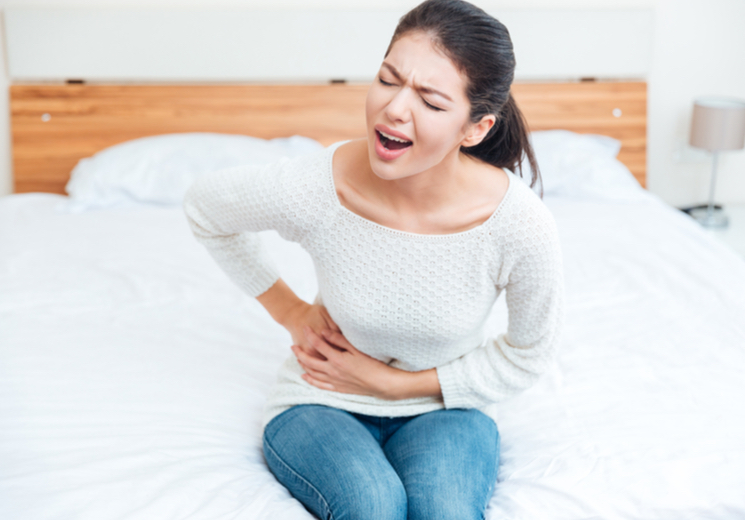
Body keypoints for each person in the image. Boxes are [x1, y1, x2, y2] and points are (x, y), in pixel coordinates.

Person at [183, 0, 565, 517]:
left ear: (475, 129)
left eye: (430, 101)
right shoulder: (318, 187)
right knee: (373, 506)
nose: (395, 109)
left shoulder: (518, 224)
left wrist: (398, 385)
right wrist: (290, 311)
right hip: (321, 399)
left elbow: (529, 352)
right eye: (388, 80)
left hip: (445, 409)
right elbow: (206, 208)